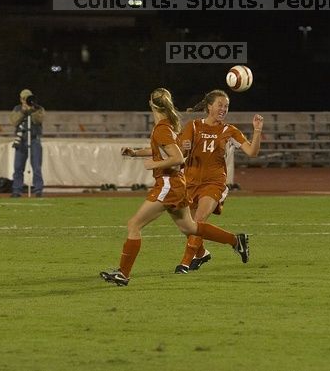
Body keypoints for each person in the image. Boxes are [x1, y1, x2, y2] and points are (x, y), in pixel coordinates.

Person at [100, 87, 249, 287]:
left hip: (168, 183)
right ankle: (235, 241)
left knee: (134, 225)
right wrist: (135, 153)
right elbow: (165, 151)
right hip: (177, 183)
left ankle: (123, 274)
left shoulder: (161, 128)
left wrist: (153, 164)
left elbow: (177, 158)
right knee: (190, 227)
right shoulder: (166, 125)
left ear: (151, 104)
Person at [174, 89, 263, 274]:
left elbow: (252, 152)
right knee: (187, 228)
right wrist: (184, 148)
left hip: (214, 183)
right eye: (220, 105)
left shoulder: (229, 131)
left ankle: (184, 263)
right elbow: (179, 156)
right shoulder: (193, 126)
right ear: (209, 106)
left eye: (226, 106)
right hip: (189, 182)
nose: (223, 109)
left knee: (198, 220)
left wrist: (257, 130)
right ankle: (232, 242)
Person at [9, 88, 45, 197]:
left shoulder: (38, 109)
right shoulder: (17, 109)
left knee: (36, 166)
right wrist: (23, 111)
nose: (26, 100)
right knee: (18, 167)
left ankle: (38, 189)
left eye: (28, 98)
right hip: (21, 140)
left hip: (34, 139)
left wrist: (32, 110)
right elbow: (14, 121)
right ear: (21, 99)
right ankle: (17, 190)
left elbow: (38, 120)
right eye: (24, 98)